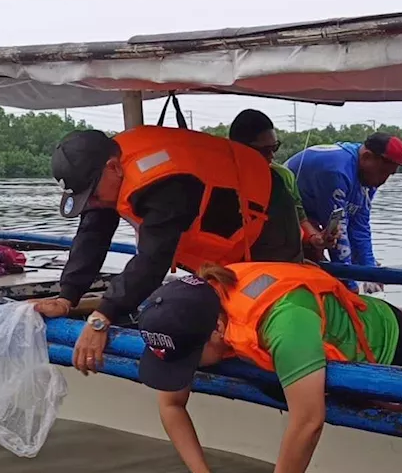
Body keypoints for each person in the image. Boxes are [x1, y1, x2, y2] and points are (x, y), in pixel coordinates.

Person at [129, 261, 402, 473]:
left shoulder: (285, 322)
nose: (186, 370)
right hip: (303, 347)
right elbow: (171, 402)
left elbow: (308, 421)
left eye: (189, 361)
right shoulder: (186, 313)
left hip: (386, 342)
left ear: (218, 329)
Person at [31, 126, 304, 373]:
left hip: (266, 208)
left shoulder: (165, 182)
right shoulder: (104, 171)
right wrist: (67, 297)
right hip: (222, 221)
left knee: (270, 299)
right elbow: (92, 233)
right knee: (222, 297)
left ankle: (289, 370)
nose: (92, 202)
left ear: (113, 167)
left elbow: (154, 259)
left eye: (92, 194)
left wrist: (102, 318)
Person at [285, 133, 402, 293]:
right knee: (315, 267)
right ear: (366, 156)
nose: (383, 181)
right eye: (383, 172)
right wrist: (350, 287)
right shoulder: (336, 171)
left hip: (311, 214)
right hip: (285, 214)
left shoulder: (369, 176)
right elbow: (338, 233)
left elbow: (360, 226)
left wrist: (371, 272)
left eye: (389, 175)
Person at [227, 109, 335, 257]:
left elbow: (300, 218)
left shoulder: (283, 176)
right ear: (240, 149)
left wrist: (315, 238)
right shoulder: (217, 181)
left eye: (275, 147)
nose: (272, 155)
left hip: (282, 262)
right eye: (265, 150)